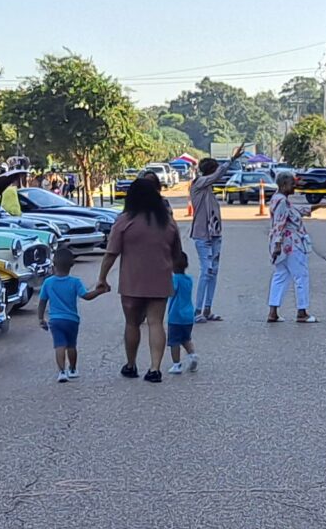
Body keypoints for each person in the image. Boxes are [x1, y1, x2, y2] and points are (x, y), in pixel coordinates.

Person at [95, 170, 180, 382]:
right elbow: (177, 253)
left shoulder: (124, 221)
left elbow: (111, 254)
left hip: (132, 281)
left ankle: (131, 365)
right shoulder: (167, 222)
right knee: (156, 323)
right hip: (160, 278)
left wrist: (102, 278)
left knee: (132, 323)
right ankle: (155, 369)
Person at [266, 170, 314, 320]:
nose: (294, 187)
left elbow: (294, 212)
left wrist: (315, 207)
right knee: (301, 276)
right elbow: (280, 223)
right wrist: (279, 244)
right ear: (285, 185)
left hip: (282, 245)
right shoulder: (281, 201)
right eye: (292, 184)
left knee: (281, 275)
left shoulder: (277, 198)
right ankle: (302, 311)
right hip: (291, 244)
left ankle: (273, 311)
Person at [39, 249, 88, 381]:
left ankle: (61, 372)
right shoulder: (75, 282)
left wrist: (41, 318)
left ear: (54, 264)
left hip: (55, 320)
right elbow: (86, 296)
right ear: (72, 265)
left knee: (59, 345)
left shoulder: (48, 282)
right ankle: (72, 369)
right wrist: (100, 291)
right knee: (71, 345)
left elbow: (42, 301)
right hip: (72, 320)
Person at [188, 157, 225, 322]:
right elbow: (216, 176)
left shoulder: (207, 188)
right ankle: (197, 311)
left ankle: (207, 309)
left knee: (213, 272)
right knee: (206, 271)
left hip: (214, 234)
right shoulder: (199, 183)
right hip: (203, 235)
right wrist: (230, 161)